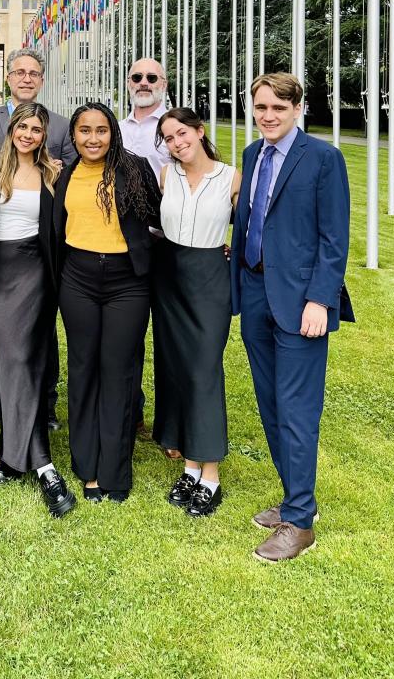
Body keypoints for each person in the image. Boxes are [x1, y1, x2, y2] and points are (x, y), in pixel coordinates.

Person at [232, 72, 353, 563]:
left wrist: (320, 300)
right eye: (260, 107)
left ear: (297, 108)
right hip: (255, 291)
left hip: (301, 300)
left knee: (297, 409)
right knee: (270, 405)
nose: (268, 116)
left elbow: (333, 238)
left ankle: (299, 523)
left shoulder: (323, 158)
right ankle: (295, 498)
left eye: (278, 108)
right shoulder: (251, 154)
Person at [0, 103, 75, 518]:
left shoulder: (53, 171)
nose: (29, 134)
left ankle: (17, 460)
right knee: (14, 359)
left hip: (37, 272)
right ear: (12, 128)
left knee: (29, 362)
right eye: (23, 127)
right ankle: (40, 464)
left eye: (37, 129)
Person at [54, 102, 160, 503]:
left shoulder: (134, 169)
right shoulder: (65, 175)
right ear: (74, 135)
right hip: (77, 279)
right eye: (84, 130)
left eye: (101, 130)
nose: (93, 138)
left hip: (126, 283)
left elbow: (161, 218)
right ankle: (86, 465)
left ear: (112, 133)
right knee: (83, 368)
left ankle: (114, 469)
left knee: (118, 370)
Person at [0, 47, 76, 431]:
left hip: (41, 247)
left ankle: (45, 402)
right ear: (9, 77)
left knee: (42, 327)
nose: (27, 78)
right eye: (19, 72)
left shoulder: (62, 127)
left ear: (41, 79)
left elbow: (67, 182)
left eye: (34, 72)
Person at [154, 108, 240, 517]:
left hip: (208, 281)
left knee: (204, 372)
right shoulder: (166, 176)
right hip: (168, 281)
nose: (176, 143)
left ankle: (211, 476)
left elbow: (250, 231)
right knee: (176, 370)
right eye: (169, 138)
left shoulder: (231, 177)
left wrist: (230, 254)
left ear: (200, 131)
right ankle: (190, 466)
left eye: (182, 133)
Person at [118, 57, 171, 446]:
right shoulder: (117, 130)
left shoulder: (175, 129)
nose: (143, 82)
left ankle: (171, 426)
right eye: (136, 76)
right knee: (128, 336)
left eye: (151, 77)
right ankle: (130, 413)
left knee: (170, 339)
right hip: (124, 246)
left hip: (167, 243)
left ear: (164, 83)